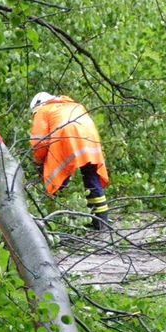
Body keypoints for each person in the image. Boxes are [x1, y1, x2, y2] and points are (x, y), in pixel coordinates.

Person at [29, 92, 110, 230]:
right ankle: (101, 223)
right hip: (90, 143)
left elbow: (39, 142)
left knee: (59, 179)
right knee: (91, 178)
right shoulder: (75, 105)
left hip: (68, 142)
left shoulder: (43, 110)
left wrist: (38, 161)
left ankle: (57, 220)